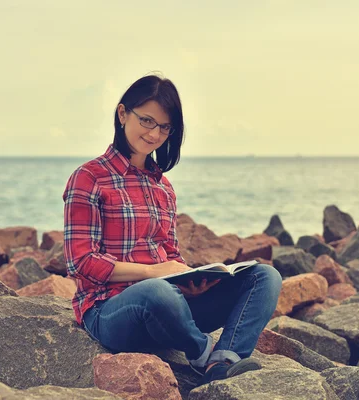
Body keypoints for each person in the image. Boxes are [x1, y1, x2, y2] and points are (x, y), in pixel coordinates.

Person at [62, 73, 282, 386]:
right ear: (123, 114)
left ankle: (224, 361)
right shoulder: (89, 177)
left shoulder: (163, 186)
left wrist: (190, 280)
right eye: (147, 121)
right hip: (109, 312)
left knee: (265, 276)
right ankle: (202, 353)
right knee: (156, 290)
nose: (154, 134)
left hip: (169, 308)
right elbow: (81, 263)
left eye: (164, 127)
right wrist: (152, 273)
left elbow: (170, 254)